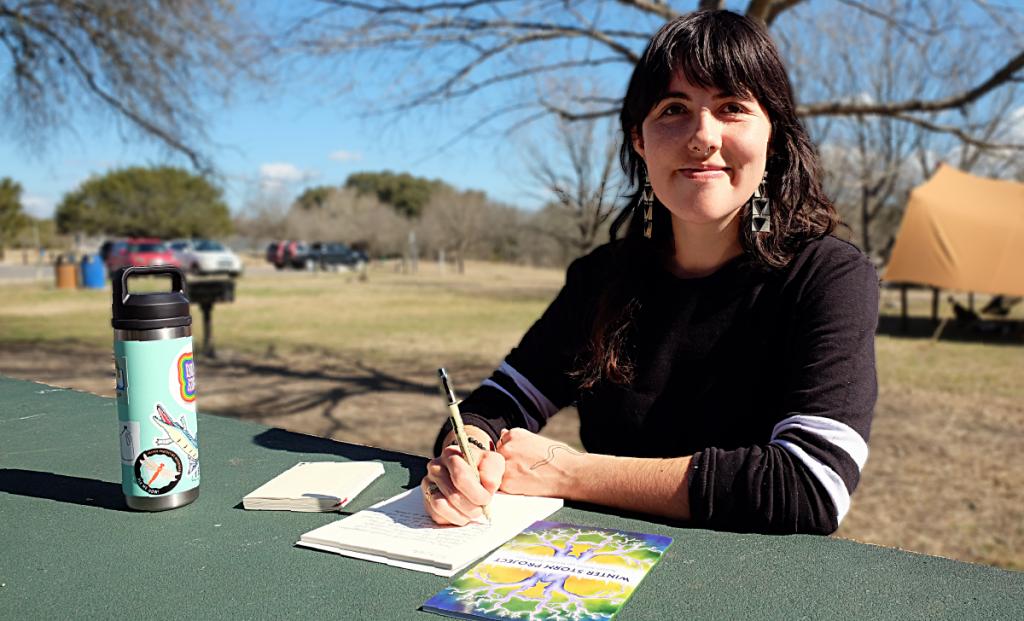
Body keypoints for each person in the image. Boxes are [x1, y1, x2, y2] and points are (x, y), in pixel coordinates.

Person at [422, 10, 879, 535]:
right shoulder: (601, 278)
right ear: (639, 139)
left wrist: (568, 472)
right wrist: (466, 455)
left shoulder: (828, 277)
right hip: (592, 574)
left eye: (732, 107)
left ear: (773, 137)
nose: (703, 137)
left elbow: (809, 485)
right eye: (673, 109)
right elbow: (501, 403)